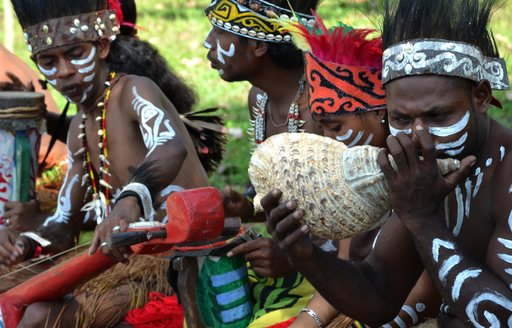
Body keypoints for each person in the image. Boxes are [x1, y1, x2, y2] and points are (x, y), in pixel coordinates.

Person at [264, 0, 512, 326]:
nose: (419, 136)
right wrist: (307, 257)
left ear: (480, 97)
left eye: (437, 115)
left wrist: (422, 218)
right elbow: (379, 295)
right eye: (401, 118)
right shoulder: (423, 170)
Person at [0, 0, 224, 326]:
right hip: (124, 261)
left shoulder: (134, 91)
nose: (64, 71)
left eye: (76, 54)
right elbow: (64, 227)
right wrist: (25, 243)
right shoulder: (80, 127)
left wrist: (131, 199)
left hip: (181, 261)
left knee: (39, 316)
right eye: (49, 61)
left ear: (102, 45)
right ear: (36, 64)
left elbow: (170, 146)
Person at [282, 16, 441, 328]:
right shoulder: (356, 179)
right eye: (325, 128)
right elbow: (346, 273)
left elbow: (428, 286)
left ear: (380, 113)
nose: (329, 139)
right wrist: (307, 321)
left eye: (336, 126)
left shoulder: (424, 177)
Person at [203, 0, 326, 326]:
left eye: (219, 31)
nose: (207, 43)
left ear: (258, 44)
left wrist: (297, 257)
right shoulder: (258, 98)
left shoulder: (325, 107)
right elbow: (289, 202)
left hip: (336, 276)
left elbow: (365, 220)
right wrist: (247, 208)